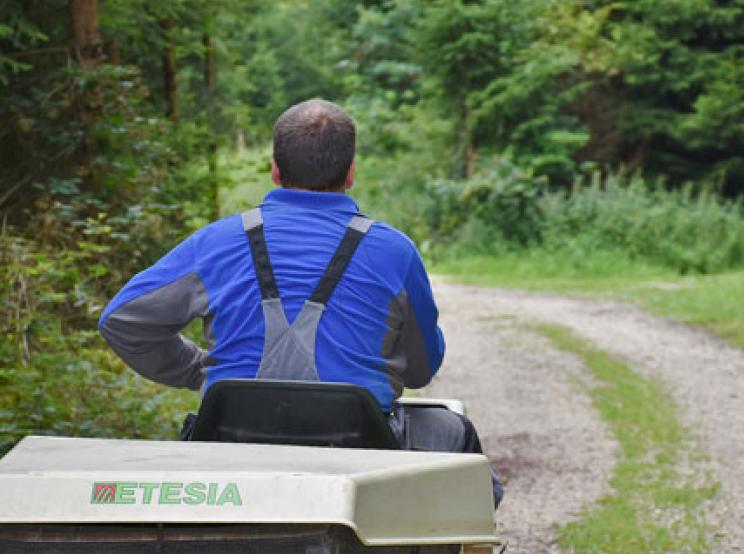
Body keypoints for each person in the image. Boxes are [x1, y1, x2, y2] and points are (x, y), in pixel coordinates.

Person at [99, 98, 502, 507]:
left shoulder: (216, 242)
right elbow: (419, 371)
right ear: (350, 173)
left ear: (275, 170)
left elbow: (123, 320)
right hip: (360, 451)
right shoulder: (395, 252)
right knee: (455, 431)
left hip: (227, 440)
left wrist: (199, 371)